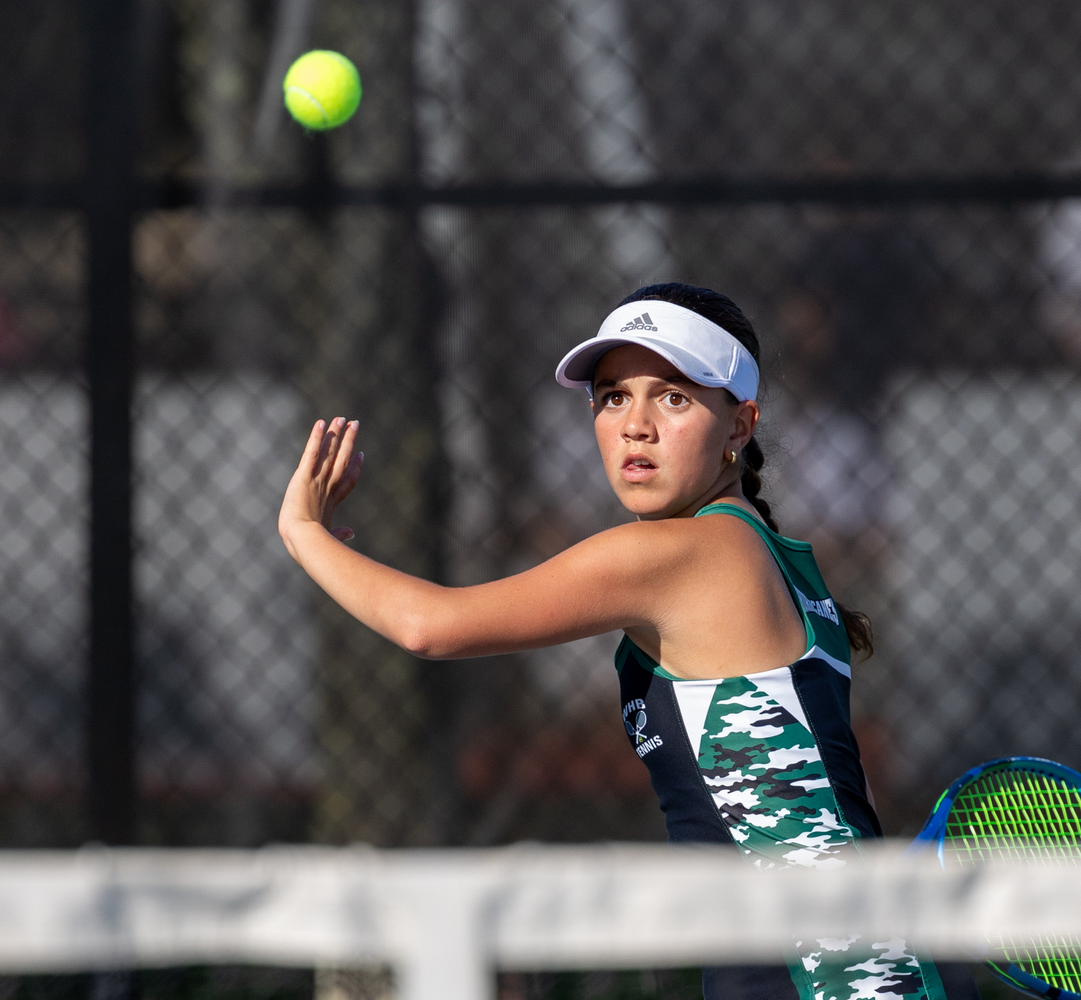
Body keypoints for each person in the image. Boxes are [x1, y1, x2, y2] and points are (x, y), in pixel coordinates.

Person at [278, 283, 975, 1000]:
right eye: (613, 397)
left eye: (672, 397)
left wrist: (303, 534)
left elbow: (431, 627)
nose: (635, 425)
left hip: (820, 979)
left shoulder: (680, 556)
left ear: (740, 426)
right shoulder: (778, 557)